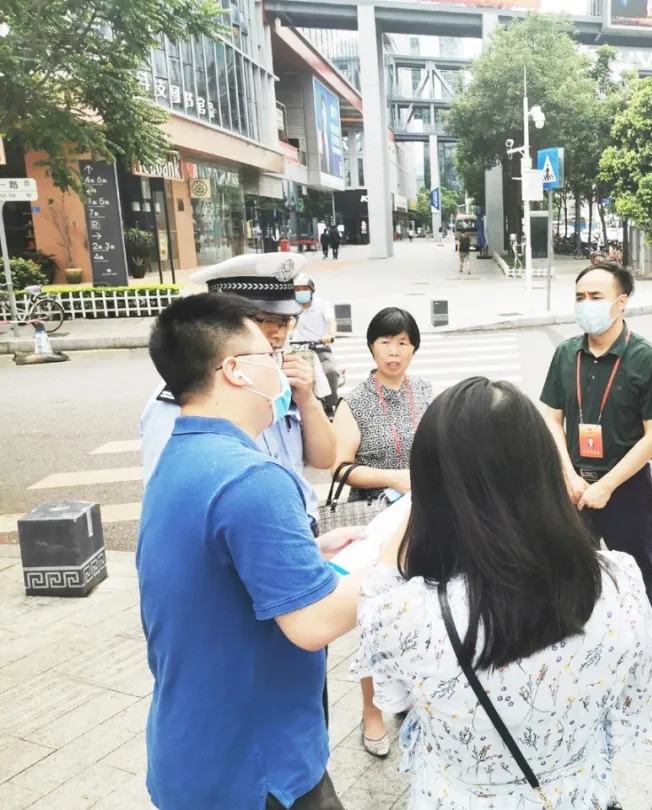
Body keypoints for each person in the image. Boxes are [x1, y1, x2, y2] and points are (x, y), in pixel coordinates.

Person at [355, 377, 652, 809]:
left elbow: (391, 678)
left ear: (433, 489)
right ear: (544, 467)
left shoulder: (406, 615)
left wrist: (416, 506)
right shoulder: (619, 582)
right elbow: (628, 704)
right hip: (580, 795)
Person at [137, 293, 371, 810]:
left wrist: (309, 551)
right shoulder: (252, 477)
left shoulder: (182, 452)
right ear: (236, 371)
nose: (280, 368)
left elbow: (213, 571)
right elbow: (313, 623)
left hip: (195, 750)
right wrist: (394, 555)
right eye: (269, 356)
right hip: (257, 769)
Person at [540, 261, 652, 727]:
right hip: (572, 488)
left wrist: (606, 485)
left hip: (626, 493)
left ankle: (648, 685)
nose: (586, 305)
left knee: (637, 588)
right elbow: (551, 419)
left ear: (622, 302)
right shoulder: (566, 354)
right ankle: (573, 677)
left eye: (596, 297)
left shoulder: (648, 359)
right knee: (567, 582)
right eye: (580, 297)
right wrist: (571, 477)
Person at [139, 253, 336, 535]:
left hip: (300, 529)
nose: (279, 334)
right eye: (266, 320)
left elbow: (325, 459)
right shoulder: (187, 397)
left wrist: (307, 399)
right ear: (224, 326)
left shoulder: (283, 377)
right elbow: (172, 505)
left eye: (285, 321)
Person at [333, 306, 433, 757]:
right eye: (385, 342)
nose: (394, 352)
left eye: (403, 343)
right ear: (372, 347)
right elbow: (340, 467)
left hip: (422, 519)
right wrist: (395, 477)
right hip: (376, 522)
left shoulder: (425, 392)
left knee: (419, 615)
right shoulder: (354, 401)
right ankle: (371, 713)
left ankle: (409, 699)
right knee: (374, 619)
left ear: (414, 347)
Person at [292, 273, 340, 413]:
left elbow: (331, 321)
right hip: (298, 350)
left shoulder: (322, 305)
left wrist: (330, 335)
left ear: (311, 290)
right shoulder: (290, 308)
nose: (301, 291)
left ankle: (330, 405)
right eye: (297, 289)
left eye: (304, 288)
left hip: (320, 348)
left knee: (330, 370)